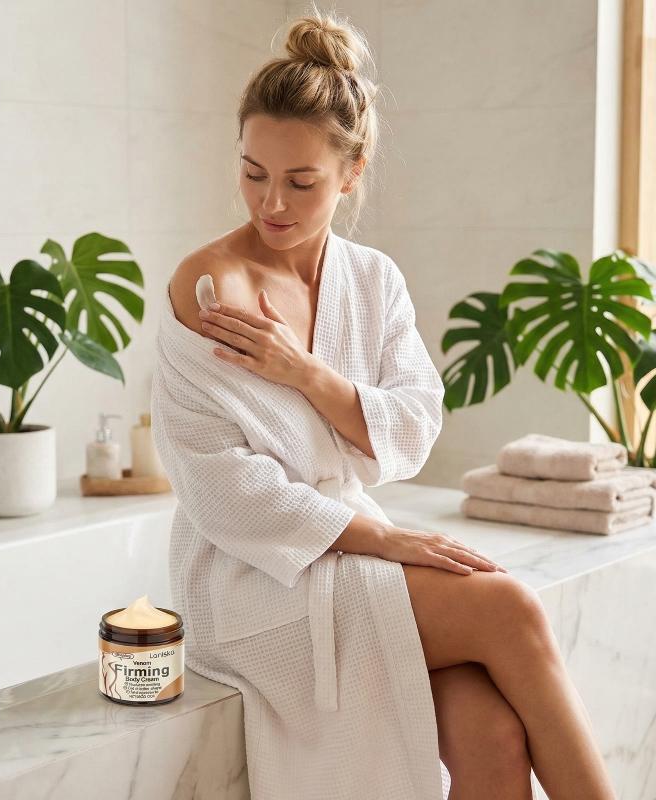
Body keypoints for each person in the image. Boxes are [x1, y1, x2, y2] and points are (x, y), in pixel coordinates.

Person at [152, 5, 617, 799]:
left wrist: (308, 374)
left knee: (493, 735)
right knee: (510, 609)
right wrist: (386, 540)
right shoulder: (211, 288)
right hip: (252, 576)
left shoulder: (372, 282)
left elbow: (413, 426)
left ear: (351, 172)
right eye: (253, 172)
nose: (271, 203)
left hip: (345, 548)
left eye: (301, 181)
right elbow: (222, 489)